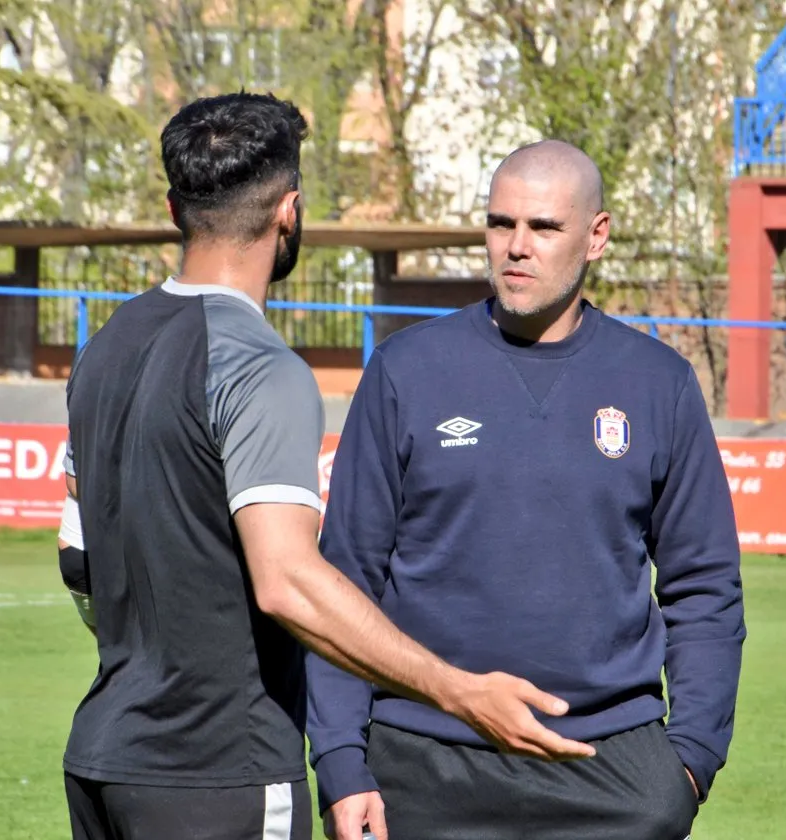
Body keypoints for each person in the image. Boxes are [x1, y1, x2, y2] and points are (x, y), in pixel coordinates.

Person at [56, 97, 595, 840]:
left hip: (102, 759)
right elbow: (288, 584)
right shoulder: (258, 368)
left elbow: (76, 555)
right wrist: (457, 689)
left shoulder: (104, 348)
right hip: (220, 771)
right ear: (289, 211)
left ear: (177, 206)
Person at [306, 140, 747, 840]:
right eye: (499, 223)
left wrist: (689, 760)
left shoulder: (658, 383)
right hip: (424, 765)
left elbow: (704, 585)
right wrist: (340, 760)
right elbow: (343, 581)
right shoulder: (406, 371)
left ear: (595, 237)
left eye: (543, 228)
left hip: (609, 767)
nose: (516, 246)